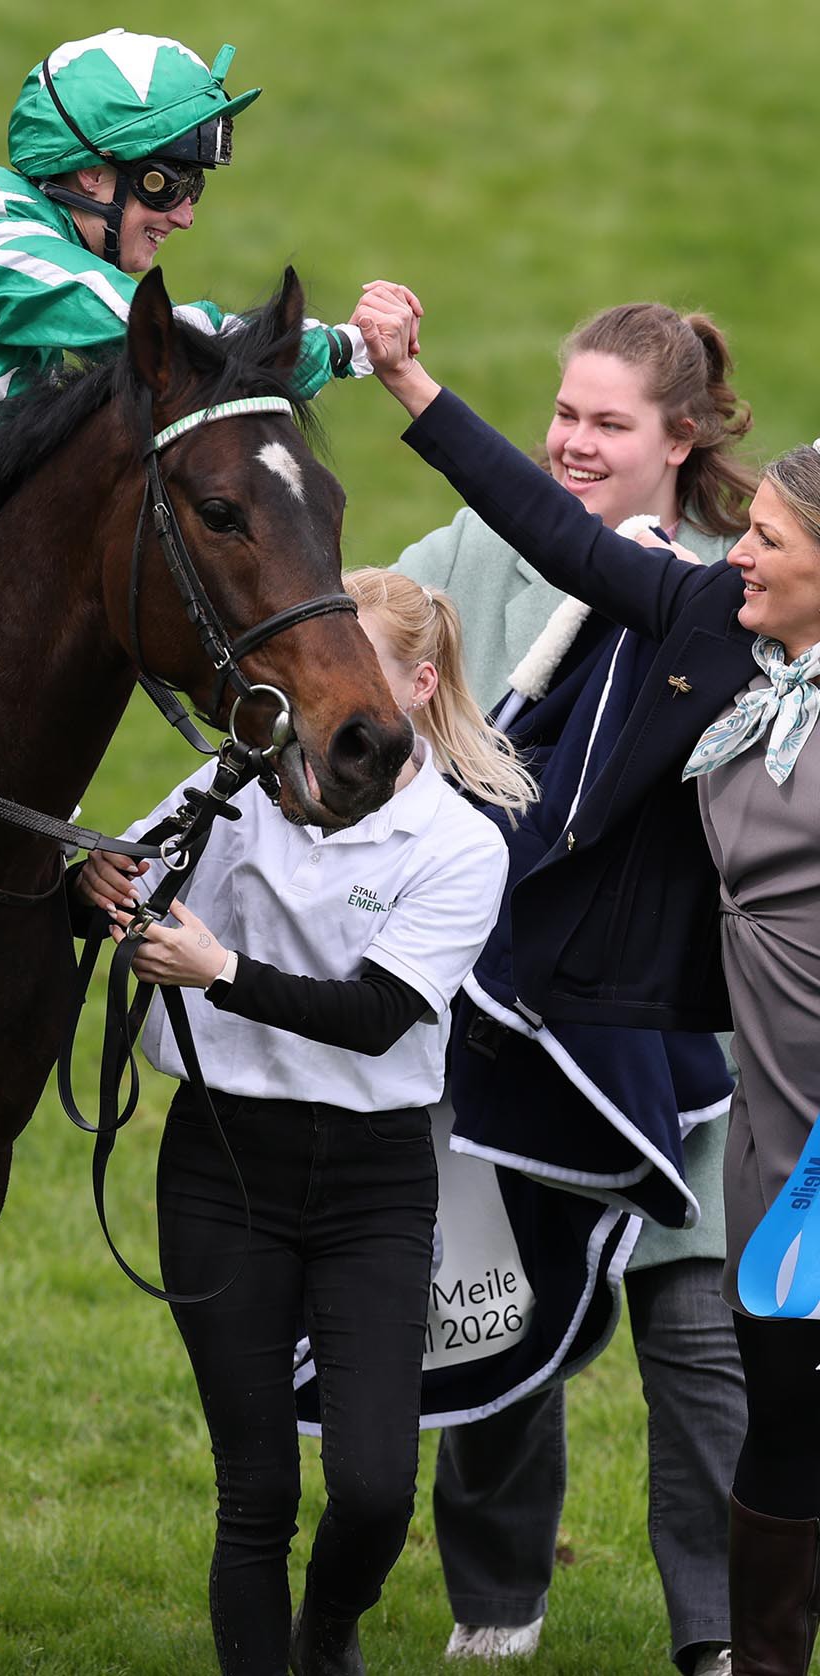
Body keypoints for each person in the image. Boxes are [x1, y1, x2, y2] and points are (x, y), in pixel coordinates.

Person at [356, 281, 820, 1676]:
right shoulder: (712, 623)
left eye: (773, 541)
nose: (746, 550)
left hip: (774, 1085)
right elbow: (543, 526)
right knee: (773, 1400)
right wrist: (410, 386)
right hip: (724, 1081)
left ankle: (729, 1641)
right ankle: (729, 1647)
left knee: (738, 1372)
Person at [73, 568, 533, 1676]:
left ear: (416, 686)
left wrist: (217, 967)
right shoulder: (229, 787)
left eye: (358, 666)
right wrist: (90, 874)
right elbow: (116, 866)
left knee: (373, 1488)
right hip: (221, 1161)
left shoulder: (460, 846)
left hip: (374, 1179)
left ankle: (325, 1631)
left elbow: (376, 1017)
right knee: (258, 1491)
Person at [0, 28, 371, 493]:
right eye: (167, 184)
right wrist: (346, 343)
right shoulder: (8, 251)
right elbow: (179, 349)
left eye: (195, 188)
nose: (184, 216)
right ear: (92, 172)